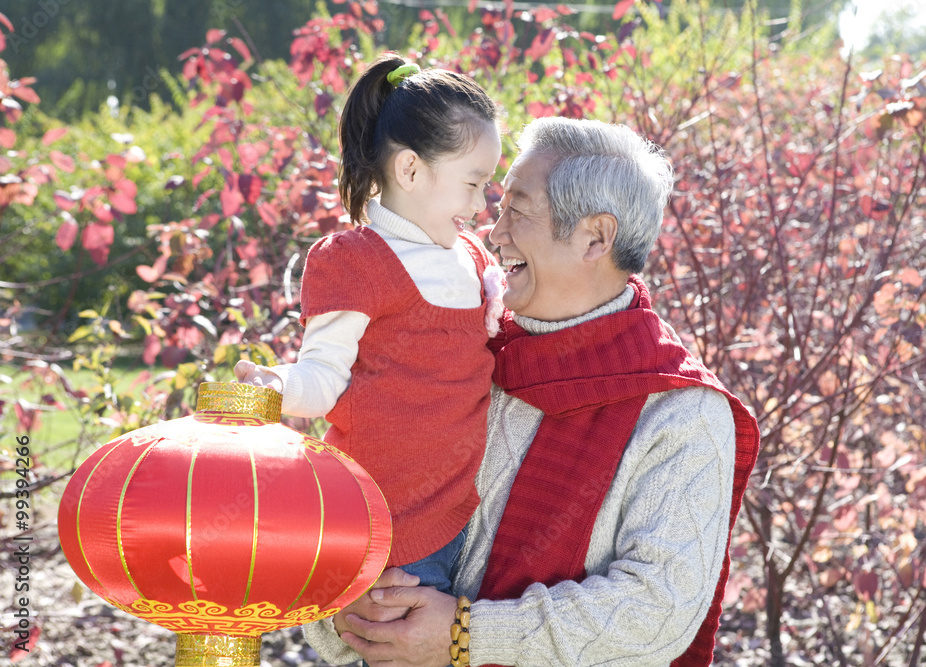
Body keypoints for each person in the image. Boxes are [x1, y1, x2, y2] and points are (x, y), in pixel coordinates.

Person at [302, 116, 760, 667]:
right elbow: (360, 500)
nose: (492, 234)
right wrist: (345, 610)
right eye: (496, 208)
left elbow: (656, 610)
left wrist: (466, 636)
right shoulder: (458, 355)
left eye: (516, 211)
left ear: (596, 237)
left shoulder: (681, 413)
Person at [235, 52, 505, 595]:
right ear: (409, 169)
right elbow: (322, 377)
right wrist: (278, 384)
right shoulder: (355, 261)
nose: (482, 204)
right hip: (389, 526)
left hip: (472, 516)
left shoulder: (473, 259)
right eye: (473, 184)